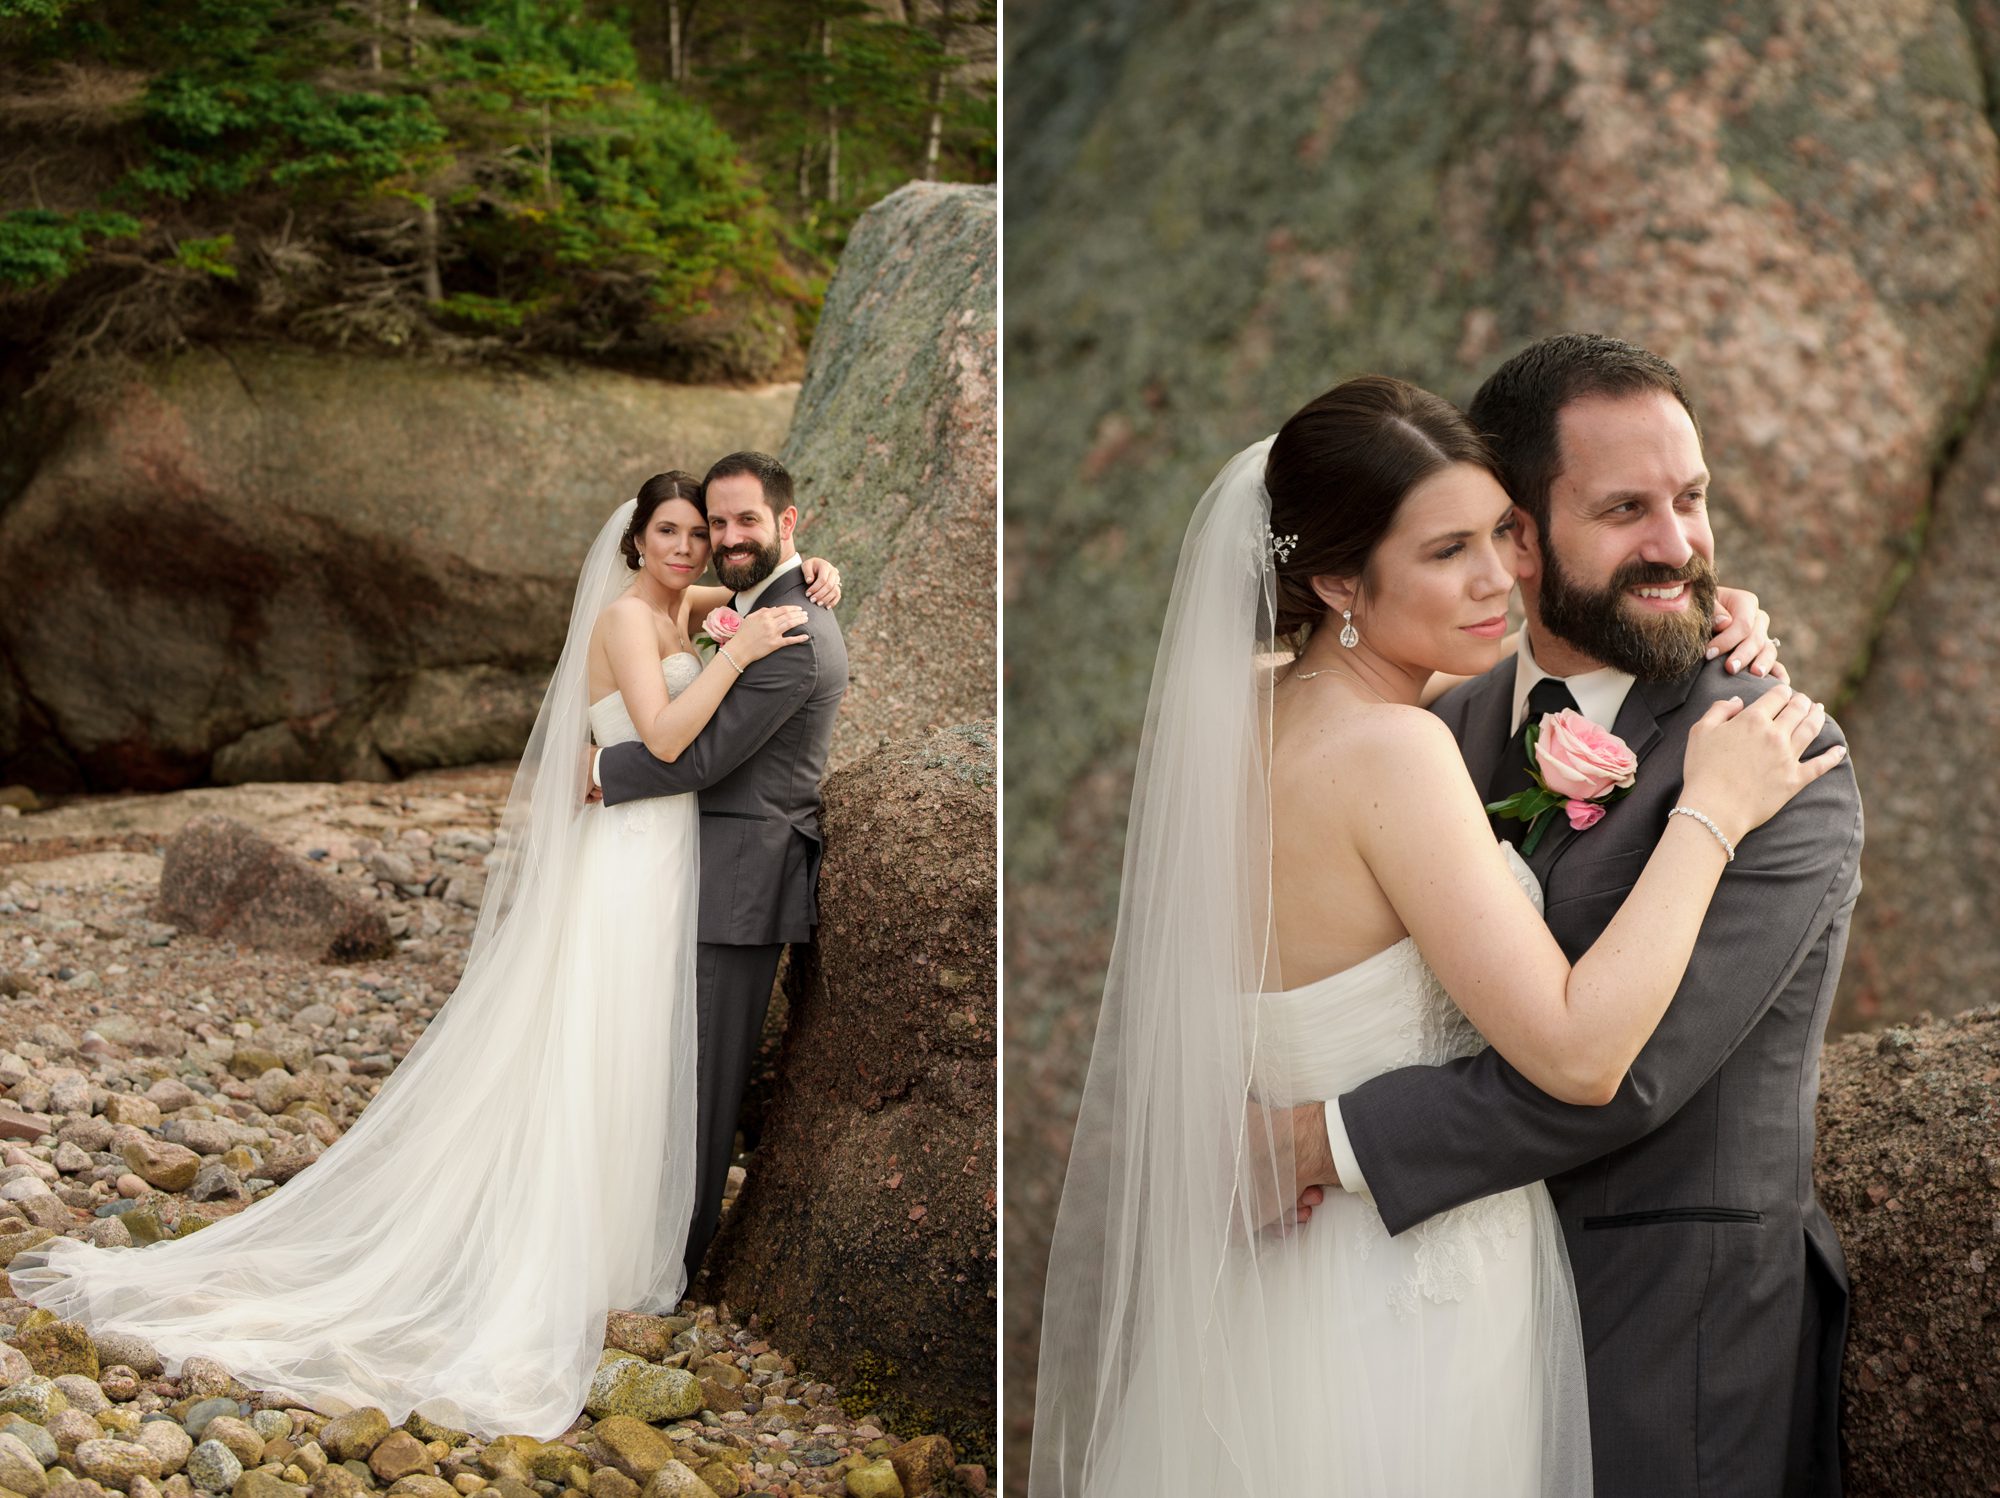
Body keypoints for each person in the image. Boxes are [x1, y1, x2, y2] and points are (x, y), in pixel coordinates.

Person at [1028, 369, 1848, 1497]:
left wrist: (1688, 606)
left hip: (1328, 1294)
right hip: (1411, 1298)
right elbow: (1582, 1055)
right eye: (1450, 548)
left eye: (1498, 534)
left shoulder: (1259, 711)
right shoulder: (1410, 741)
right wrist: (1705, 813)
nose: (1497, 577)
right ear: (1337, 579)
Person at [10, 470, 841, 1440]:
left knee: (634, 1044)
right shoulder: (629, 616)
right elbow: (663, 736)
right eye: (670, 531)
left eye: (700, 531)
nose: (690, 546)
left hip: (665, 855)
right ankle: (563, 1252)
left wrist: (810, 566)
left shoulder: (684, 603)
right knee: (595, 1035)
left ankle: (618, 1243)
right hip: (628, 849)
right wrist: (734, 655)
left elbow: (740, 586)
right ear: (635, 541)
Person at [1325, 336, 1864, 1496]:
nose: (1676, 543)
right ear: (1514, 537)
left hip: (1670, 1345)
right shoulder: (1436, 731)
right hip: (1438, 1329)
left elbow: (1628, 1076)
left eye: (1690, 499)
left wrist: (1327, 1142)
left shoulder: (1775, 757)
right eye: (1625, 509)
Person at [589, 450, 848, 1287]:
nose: (719, 540)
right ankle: (638, 1241)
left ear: (786, 521)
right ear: (640, 539)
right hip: (685, 863)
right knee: (664, 1065)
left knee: (703, 1083)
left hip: (739, 875)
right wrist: (812, 567)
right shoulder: (740, 606)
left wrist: (602, 771)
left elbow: (697, 758)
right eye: (713, 525)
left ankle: (671, 1264)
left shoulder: (790, 636)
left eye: (741, 523)